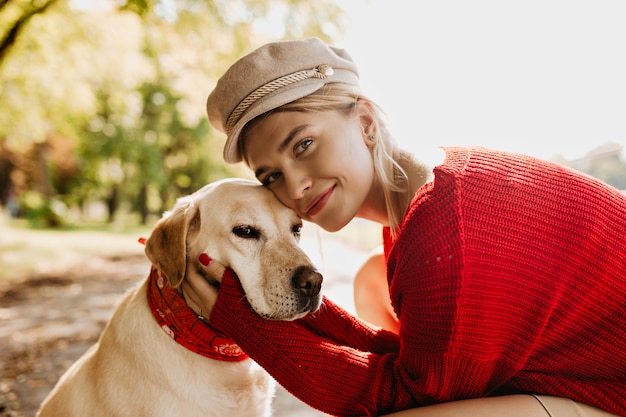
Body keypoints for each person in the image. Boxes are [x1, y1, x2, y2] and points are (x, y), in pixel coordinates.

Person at [181, 38, 626, 416]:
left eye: (304, 144)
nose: (295, 186)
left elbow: (404, 396)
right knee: (373, 277)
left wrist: (245, 321)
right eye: (271, 176)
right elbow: (417, 360)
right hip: (573, 365)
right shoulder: (426, 191)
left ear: (366, 123)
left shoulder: (448, 230)